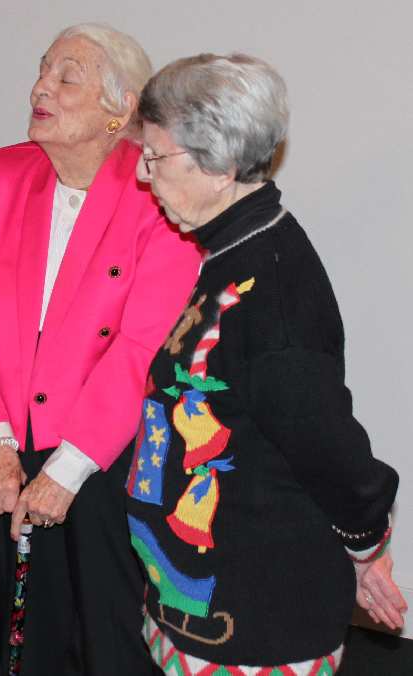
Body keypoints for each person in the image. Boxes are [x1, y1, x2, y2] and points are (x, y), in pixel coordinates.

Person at [126, 53, 407, 673]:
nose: (145, 177)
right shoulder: (230, 249)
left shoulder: (271, 289)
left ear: (223, 164)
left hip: (258, 611)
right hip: (208, 585)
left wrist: (365, 549)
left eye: (157, 157)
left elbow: (330, 451)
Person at [0, 23, 201, 675]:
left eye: (66, 77)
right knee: (25, 640)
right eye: (41, 70)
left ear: (121, 109)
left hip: (112, 455)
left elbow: (142, 345)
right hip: (5, 444)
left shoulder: (158, 195)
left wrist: (66, 470)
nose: (40, 87)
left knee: (113, 640)